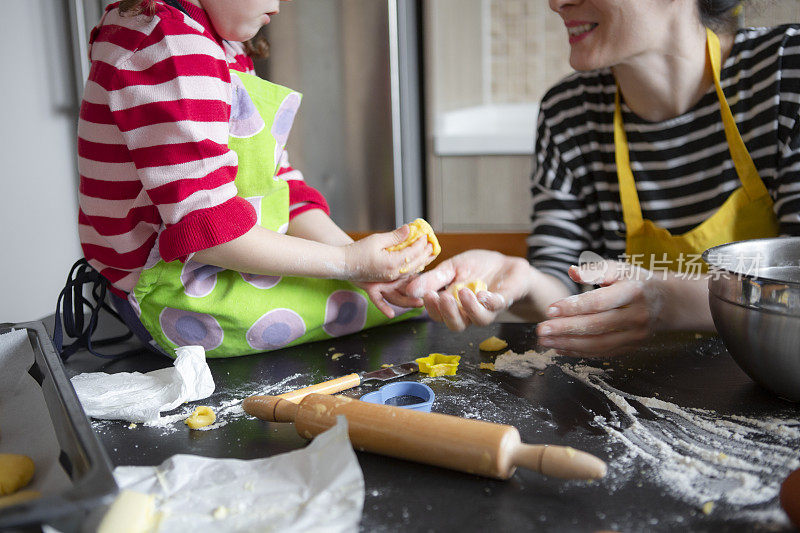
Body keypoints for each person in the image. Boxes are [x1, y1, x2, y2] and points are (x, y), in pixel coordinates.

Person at [405, 0, 800, 357]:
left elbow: (794, 289)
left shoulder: (786, 72)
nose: (556, 3)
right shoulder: (568, 113)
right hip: (638, 399)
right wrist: (524, 280)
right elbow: (562, 286)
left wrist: (666, 301)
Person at [73, 0, 433, 357]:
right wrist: (346, 262)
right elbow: (208, 232)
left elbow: (278, 184)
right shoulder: (170, 46)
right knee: (399, 304)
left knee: (371, 292)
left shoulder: (217, 43)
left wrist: (354, 264)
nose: (281, 5)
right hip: (173, 294)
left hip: (216, 266)